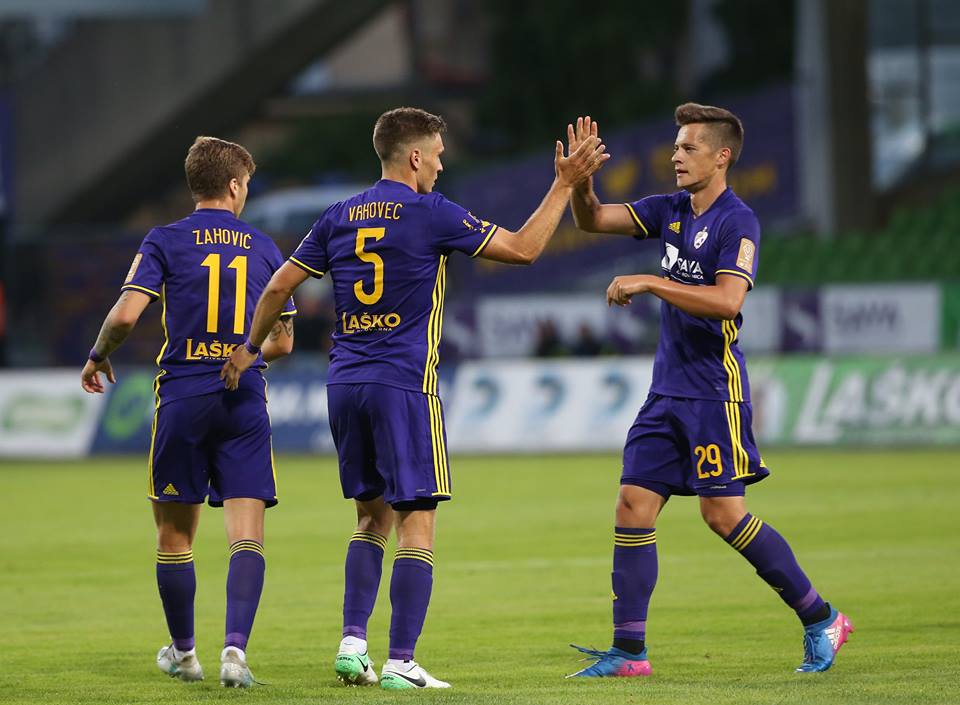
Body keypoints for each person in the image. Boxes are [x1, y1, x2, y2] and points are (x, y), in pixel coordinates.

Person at [221, 107, 609, 689]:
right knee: (417, 522)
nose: (441, 166)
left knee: (369, 516)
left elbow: (279, 285)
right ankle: (401, 661)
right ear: (415, 157)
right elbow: (525, 248)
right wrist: (563, 185)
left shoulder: (339, 214)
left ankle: (353, 645)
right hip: (403, 384)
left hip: (344, 384)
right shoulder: (432, 212)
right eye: (438, 155)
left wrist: (251, 347)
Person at [565, 107, 853, 677]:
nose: (676, 156)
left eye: (689, 147)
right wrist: (580, 183)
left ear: (721, 157)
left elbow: (727, 302)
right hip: (665, 392)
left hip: (713, 392)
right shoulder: (669, 209)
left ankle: (822, 618)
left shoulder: (737, 222)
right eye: (676, 146)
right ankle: (629, 652)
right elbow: (592, 219)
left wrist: (652, 282)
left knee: (723, 516)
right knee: (632, 505)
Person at [80, 136, 296, 688]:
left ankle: (184, 654)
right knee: (246, 536)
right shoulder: (264, 246)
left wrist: (99, 354)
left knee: (175, 537)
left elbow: (125, 317)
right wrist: (244, 356)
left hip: (183, 396)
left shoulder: (165, 239)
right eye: (246, 185)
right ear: (234, 185)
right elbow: (284, 341)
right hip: (243, 397)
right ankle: (235, 653)